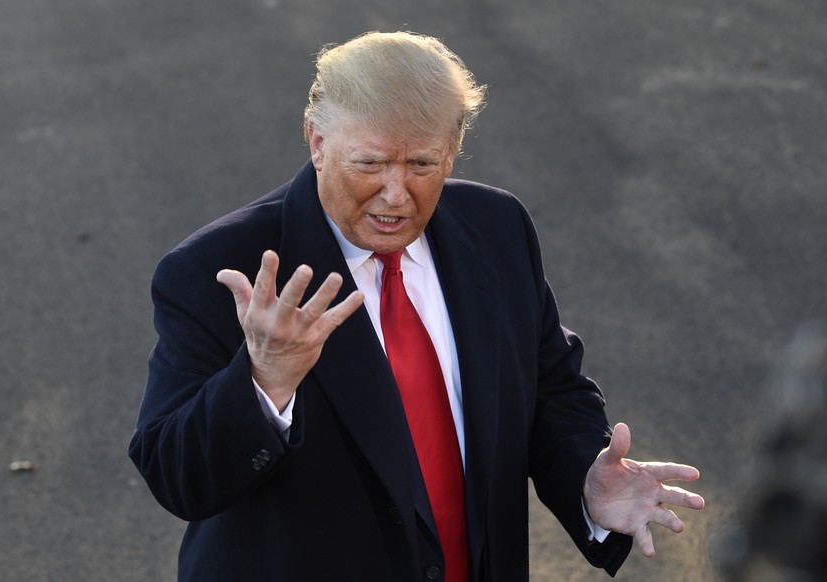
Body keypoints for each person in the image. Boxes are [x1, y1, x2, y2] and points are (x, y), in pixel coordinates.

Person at [129, 30, 704, 582]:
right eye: (371, 164)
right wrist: (263, 382)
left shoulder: (497, 229)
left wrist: (584, 478)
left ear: (453, 152)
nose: (396, 194)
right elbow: (178, 480)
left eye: (422, 165)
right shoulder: (219, 270)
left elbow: (549, 389)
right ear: (317, 142)